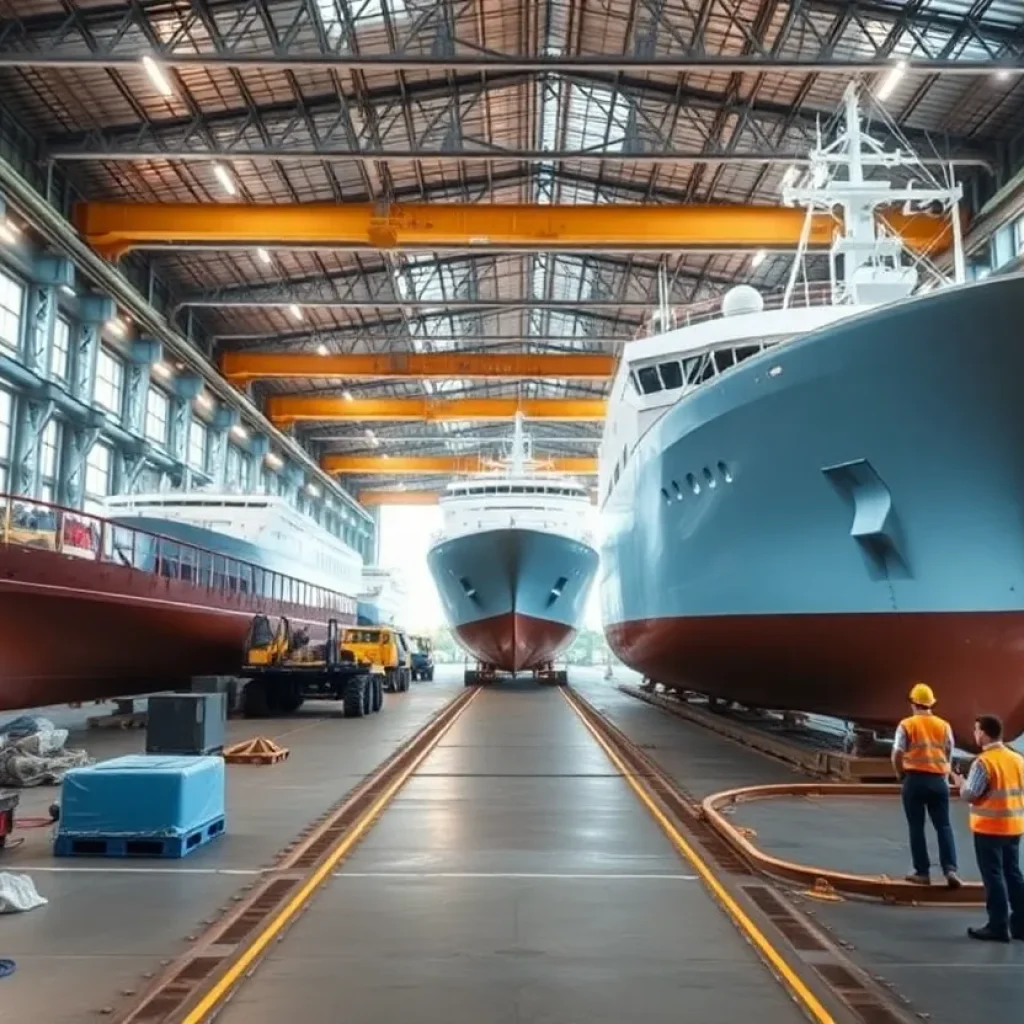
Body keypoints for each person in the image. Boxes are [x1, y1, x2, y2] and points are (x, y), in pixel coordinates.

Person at [951, 714, 1024, 942]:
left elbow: (971, 794)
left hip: (990, 828)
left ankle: (997, 926)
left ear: (983, 733)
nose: (974, 735)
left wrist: (960, 783)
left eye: (976, 731)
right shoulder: (1018, 759)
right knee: (1013, 874)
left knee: (993, 876)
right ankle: (1021, 925)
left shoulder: (983, 762)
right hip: (1014, 825)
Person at [892, 682, 961, 888]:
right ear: (931, 704)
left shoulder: (907, 724)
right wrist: (944, 773)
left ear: (913, 703)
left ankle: (922, 872)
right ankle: (950, 869)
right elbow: (949, 751)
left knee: (916, 826)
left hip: (914, 780)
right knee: (944, 825)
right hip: (938, 781)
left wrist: (899, 772)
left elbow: (897, 752)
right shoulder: (944, 725)